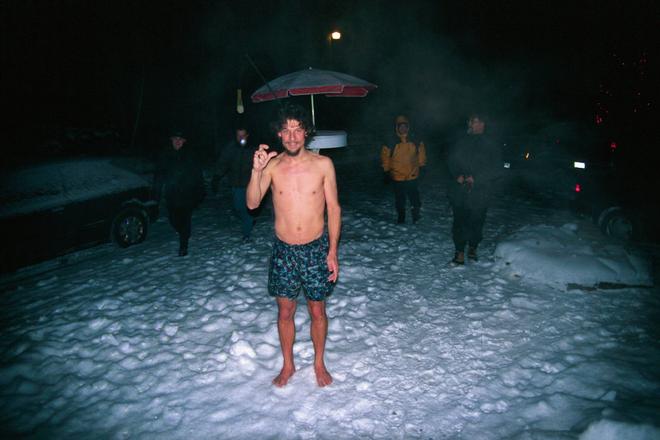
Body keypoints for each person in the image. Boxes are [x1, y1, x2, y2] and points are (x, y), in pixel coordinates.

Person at [247, 104, 341, 388]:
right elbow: (252, 203)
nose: (291, 136)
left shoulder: (323, 165)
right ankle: (288, 364)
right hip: (284, 251)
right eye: (286, 130)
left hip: (315, 249)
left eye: (297, 129)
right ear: (279, 133)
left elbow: (334, 209)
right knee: (285, 312)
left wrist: (332, 251)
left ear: (306, 133)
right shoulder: (272, 166)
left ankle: (319, 363)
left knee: (317, 311)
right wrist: (256, 171)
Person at [446, 114, 502, 264]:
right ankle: (459, 251)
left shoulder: (490, 144)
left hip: (481, 190)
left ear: (483, 124)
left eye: (478, 122)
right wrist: (457, 175)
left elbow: (497, 169)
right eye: (472, 121)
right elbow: (451, 160)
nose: (474, 124)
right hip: (460, 190)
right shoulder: (461, 141)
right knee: (459, 221)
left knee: (476, 221)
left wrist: (477, 178)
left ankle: (473, 247)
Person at [153, 129, 205, 256]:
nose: (177, 141)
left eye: (180, 139)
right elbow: (159, 175)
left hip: (187, 194)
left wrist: (200, 192)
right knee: (173, 219)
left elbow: (198, 175)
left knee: (185, 219)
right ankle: (183, 233)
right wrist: (156, 194)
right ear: (171, 140)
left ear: (184, 141)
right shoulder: (165, 155)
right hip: (171, 194)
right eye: (175, 139)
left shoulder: (190, 155)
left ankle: (183, 246)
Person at [213, 125, 258, 242]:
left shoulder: (253, 149)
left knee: (248, 208)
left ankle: (246, 233)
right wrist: (216, 177)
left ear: (247, 136)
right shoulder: (231, 148)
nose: (241, 138)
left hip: (250, 184)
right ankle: (249, 220)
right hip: (236, 184)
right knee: (238, 208)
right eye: (239, 135)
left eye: (243, 135)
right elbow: (223, 162)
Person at [380, 115, 427, 224]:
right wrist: (386, 171)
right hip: (398, 175)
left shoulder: (415, 139)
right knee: (400, 199)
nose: (403, 129)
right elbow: (385, 157)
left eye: (405, 126)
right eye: (400, 127)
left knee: (414, 198)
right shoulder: (391, 141)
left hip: (412, 174)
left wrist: (422, 166)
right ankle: (401, 217)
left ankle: (416, 215)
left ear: (408, 127)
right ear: (397, 128)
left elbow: (421, 154)